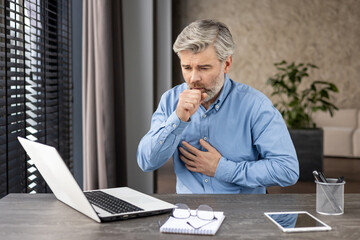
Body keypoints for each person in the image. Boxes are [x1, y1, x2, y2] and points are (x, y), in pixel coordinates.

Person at [137, 19, 299, 194]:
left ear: (227, 64)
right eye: (187, 67)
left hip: (242, 216)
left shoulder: (256, 106)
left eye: (204, 68)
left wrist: (222, 169)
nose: (193, 78)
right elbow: (147, 162)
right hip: (189, 214)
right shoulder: (170, 100)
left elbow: (287, 170)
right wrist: (177, 119)